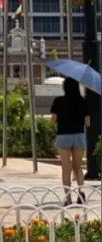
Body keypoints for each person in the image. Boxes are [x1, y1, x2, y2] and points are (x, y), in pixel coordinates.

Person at [51, 77, 90, 205]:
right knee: (78, 167)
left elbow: (53, 120)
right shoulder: (82, 102)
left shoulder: (58, 101)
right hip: (78, 135)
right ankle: (81, 193)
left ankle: (68, 198)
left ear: (65, 87)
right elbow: (87, 122)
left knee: (66, 169)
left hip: (63, 136)